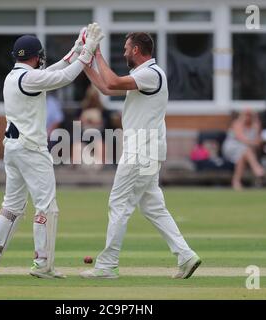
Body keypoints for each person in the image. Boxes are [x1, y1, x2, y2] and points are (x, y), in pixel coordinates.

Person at [0, 23, 104, 279]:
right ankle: (42, 264)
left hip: (12, 149)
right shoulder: (32, 78)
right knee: (46, 207)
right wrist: (88, 51)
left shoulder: (14, 76)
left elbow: (54, 71)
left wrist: (77, 48)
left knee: (11, 206)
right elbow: (65, 77)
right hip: (32, 150)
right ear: (36, 57)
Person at [80, 32, 201, 279]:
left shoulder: (150, 74)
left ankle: (106, 266)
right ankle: (186, 256)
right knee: (153, 207)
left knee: (119, 204)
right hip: (147, 151)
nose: (124, 53)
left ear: (136, 50)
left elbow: (112, 82)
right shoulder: (142, 75)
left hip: (140, 151)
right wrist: (84, 61)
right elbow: (105, 88)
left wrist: (98, 53)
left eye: (125, 49)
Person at [222, 109, 265, 190]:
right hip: (232, 147)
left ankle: (236, 181)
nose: (248, 117)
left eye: (250, 115)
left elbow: (258, 141)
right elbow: (241, 138)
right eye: (246, 115)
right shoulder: (237, 124)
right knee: (245, 150)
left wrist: (257, 126)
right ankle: (257, 169)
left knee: (242, 156)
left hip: (246, 151)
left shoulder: (255, 125)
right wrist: (253, 143)